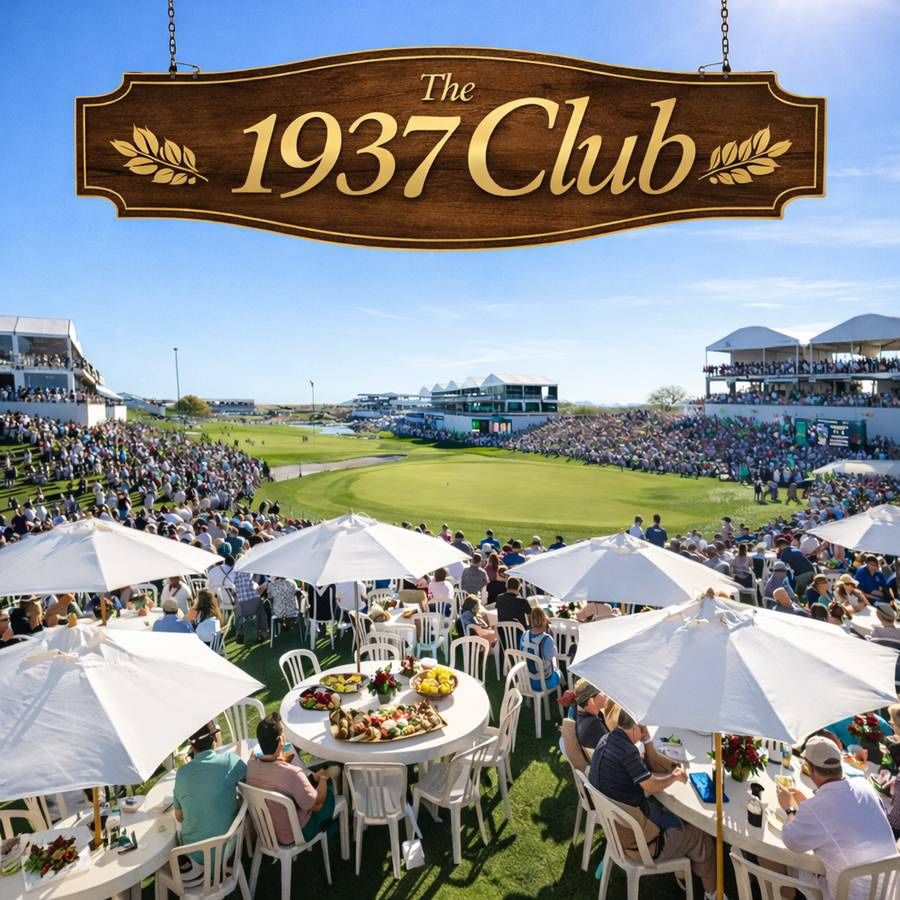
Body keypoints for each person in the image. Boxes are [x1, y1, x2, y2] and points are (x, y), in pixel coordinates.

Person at [589, 709, 719, 900]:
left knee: (678, 817)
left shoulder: (606, 740)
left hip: (620, 827)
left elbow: (649, 765)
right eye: (642, 728)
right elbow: (651, 785)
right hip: (640, 842)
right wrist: (673, 777)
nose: (644, 731)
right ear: (635, 727)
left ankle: (685, 872)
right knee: (701, 836)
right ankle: (712, 894)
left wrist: (648, 740)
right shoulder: (627, 752)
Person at [778, 735, 897, 900]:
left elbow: (791, 841)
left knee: (779, 861)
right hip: (887, 893)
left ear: (810, 768)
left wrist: (789, 808)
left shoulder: (817, 807)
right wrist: (806, 804)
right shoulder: (864, 785)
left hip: (845, 895)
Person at [245, 713, 335, 844]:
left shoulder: (251, 765)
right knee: (329, 795)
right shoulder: (293, 773)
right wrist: (323, 778)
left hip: (267, 832)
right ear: (281, 740)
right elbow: (317, 803)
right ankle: (332, 830)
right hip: (294, 834)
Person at [173, 722, 246, 863]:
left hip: (194, 854)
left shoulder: (181, 773)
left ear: (191, 746)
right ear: (214, 739)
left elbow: (179, 817)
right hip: (227, 848)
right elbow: (248, 779)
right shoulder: (230, 761)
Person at [519, 607, 561, 692]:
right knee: (559, 672)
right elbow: (554, 656)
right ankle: (562, 689)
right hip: (544, 682)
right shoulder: (547, 639)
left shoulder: (524, 634)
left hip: (528, 679)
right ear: (544, 620)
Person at [573, 679, 608, 751]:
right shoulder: (595, 728)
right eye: (601, 691)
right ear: (591, 701)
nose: (605, 694)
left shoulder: (580, 712)